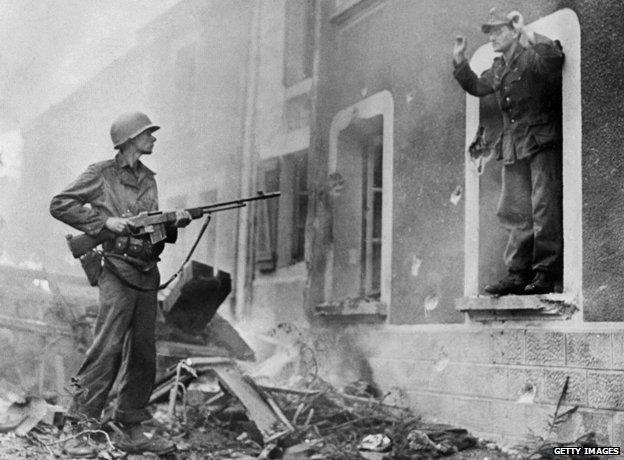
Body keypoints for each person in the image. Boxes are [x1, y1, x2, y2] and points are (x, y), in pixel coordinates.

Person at [50, 112, 192, 456]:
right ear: (129, 140)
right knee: (107, 346)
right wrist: (104, 221)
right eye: (148, 134)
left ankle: (131, 425)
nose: (154, 139)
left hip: (146, 271)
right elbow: (60, 204)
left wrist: (172, 224)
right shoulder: (101, 174)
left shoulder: (149, 179)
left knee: (144, 350)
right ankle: (78, 426)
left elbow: (151, 231)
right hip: (114, 267)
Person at [453, 9, 564, 295]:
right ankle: (517, 273)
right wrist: (460, 61)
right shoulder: (499, 67)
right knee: (514, 209)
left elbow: (554, 59)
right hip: (514, 146)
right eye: (489, 32)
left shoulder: (530, 55)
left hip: (540, 141)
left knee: (543, 206)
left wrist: (527, 31)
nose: (491, 37)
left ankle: (544, 273)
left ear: (513, 30)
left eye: (497, 31)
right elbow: (478, 86)